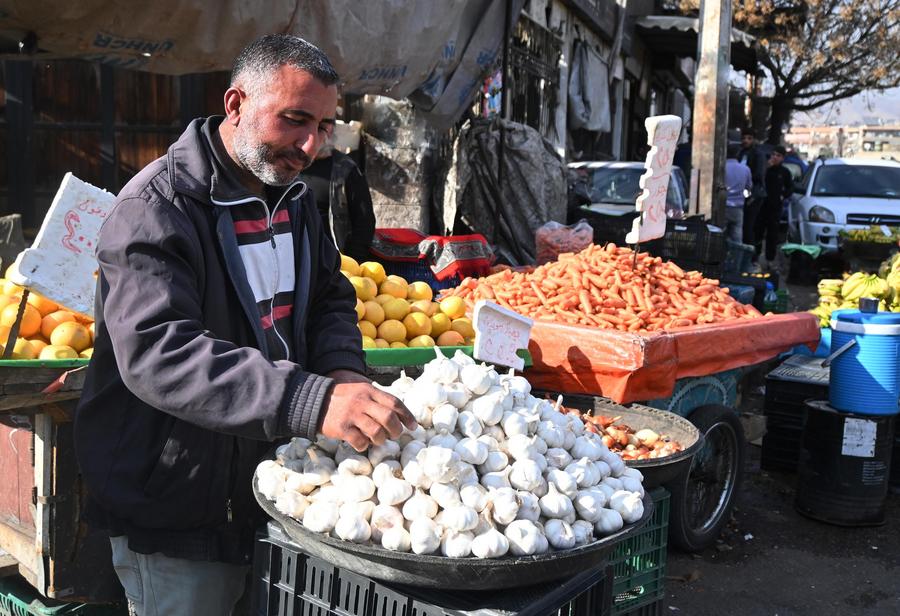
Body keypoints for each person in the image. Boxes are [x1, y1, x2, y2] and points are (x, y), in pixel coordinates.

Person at [73, 34, 415, 616]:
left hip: (276, 486)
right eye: (293, 120)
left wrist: (342, 375)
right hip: (180, 500)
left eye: (323, 126)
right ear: (236, 104)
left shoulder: (296, 199)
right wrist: (311, 400)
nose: (310, 145)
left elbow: (329, 297)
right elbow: (160, 352)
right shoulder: (155, 209)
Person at [299, 143, 376, 263]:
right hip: (294, 259)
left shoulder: (345, 168)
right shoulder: (287, 165)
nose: (316, 134)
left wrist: (352, 262)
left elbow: (364, 221)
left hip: (333, 262)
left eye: (324, 126)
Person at [754, 145, 794, 268]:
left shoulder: (785, 172)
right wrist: (766, 167)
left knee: (772, 234)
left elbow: (790, 187)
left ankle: (770, 260)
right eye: (773, 155)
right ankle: (755, 258)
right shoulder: (766, 168)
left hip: (775, 208)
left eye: (778, 156)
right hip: (761, 206)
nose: (775, 158)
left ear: (782, 158)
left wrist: (783, 196)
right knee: (758, 232)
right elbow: (757, 179)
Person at [738, 128, 767, 247]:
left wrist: (745, 179)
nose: (746, 141)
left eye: (749, 138)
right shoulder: (740, 153)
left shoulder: (758, 154)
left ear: (753, 140)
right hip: (742, 193)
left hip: (754, 194)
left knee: (749, 225)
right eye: (744, 138)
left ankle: (751, 255)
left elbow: (759, 175)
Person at [724, 143, 753, 244]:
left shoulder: (721, 168)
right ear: (738, 154)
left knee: (721, 236)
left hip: (723, 207)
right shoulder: (745, 169)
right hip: (738, 207)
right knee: (737, 237)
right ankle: (736, 258)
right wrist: (744, 197)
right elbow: (748, 188)